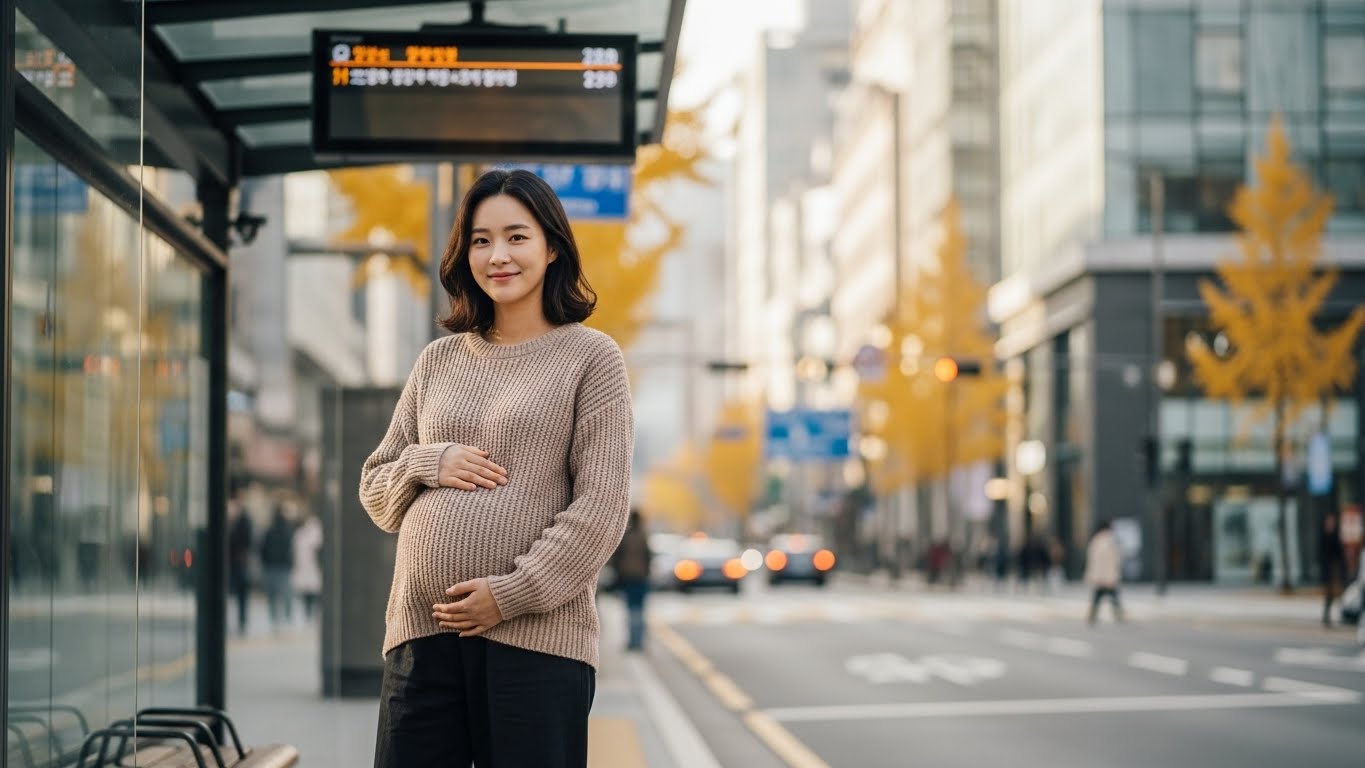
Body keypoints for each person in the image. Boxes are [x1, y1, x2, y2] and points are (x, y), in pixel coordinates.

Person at [360, 169, 634, 768]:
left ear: (552, 246)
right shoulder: (437, 361)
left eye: (516, 236)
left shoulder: (591, 358)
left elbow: (600, 509)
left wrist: (509, 595)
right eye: (481, 240)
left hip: (536, 644)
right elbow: (377, 489)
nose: (498, 255)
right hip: (421, 640)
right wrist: (429, 461)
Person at [610, 510, 653, 651]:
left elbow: (617, 559)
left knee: (630, 611)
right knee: (640, 610)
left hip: (627, 577)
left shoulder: (625, 537)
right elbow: (649, 557)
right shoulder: (643, 536)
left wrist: (618, 575)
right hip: (641, 578)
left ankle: (632, 641)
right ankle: (639, 641)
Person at [259, 503, 295, 630]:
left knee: (273, 595)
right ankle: (287, 617)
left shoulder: (269, 530)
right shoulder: (288, 529)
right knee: (286, 593)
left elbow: (262, 548)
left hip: (272, 565)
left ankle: (275, 618)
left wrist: (265, 561)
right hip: (282, 565)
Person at [1084, 521, 1124, 625]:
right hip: (1108, 575)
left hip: (1099, 575)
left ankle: (1092, 615)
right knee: (1113, 596)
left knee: (1098, 596)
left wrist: (1091, 574)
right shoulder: (1110, 541)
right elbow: (1116, 559)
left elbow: (1091, 560)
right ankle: (1118, 615)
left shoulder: (1095, 541)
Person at [227, 498, 254, 635]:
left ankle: (242, 621)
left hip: (239, 565)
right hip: (228, 565)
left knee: (241, 594)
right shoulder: (226, 523)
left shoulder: (244, 523)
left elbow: (248, 543)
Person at [291, 512, 324, 621]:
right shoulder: (301, 535)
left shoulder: (310, 535)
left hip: (311, 568)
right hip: (306, 567)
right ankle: (309, 614)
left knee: (312, 592)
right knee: (308, 592)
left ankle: (311, 613)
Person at [1320, 512, 1346, 627]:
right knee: (1328, 595)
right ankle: (1326, 617)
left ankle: (1341, 616)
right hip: (1327, 570)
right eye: (1329, 521)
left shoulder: (1336, 536)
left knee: (1339, 594)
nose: (1331, 523)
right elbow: (1320, 554)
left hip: (1336, 569)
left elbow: (1340, 553)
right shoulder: (1323, 536)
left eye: (1332, 521)